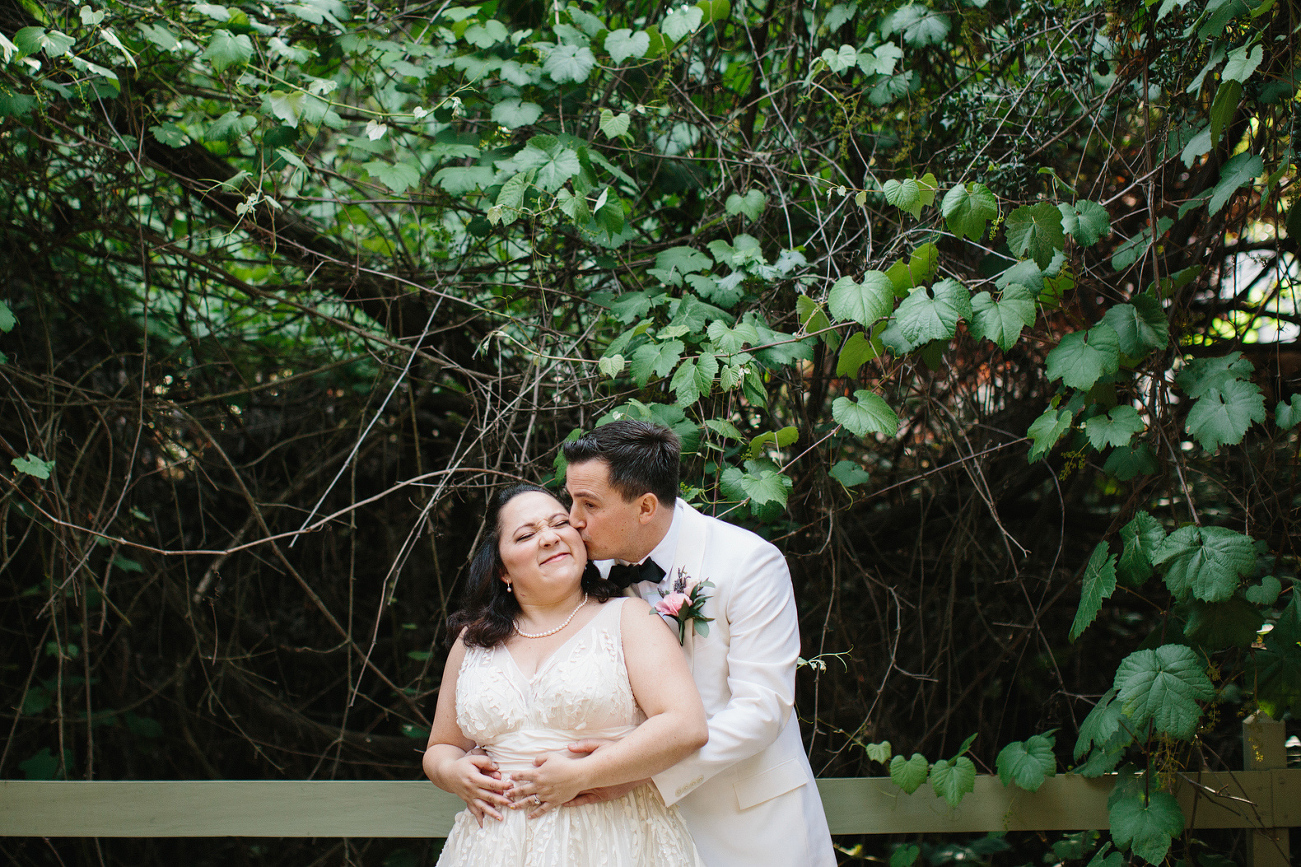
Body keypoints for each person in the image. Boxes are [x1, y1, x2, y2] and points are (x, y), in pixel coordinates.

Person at [513, 420, 837, 867]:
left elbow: (763, 710)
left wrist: (636, 770)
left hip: (753, 826)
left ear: (645, 507)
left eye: (588, 503)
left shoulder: (750, 564)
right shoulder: (589, 576)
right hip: (633, 833)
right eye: (571, 499)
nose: (573, 519)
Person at [422, 483, 709, 867]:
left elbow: (686, 725)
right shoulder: (472, 642)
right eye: (526, 534)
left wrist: (585, 773)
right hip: (495, 846)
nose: (549, 538)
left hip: (612, 838)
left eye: (560, 523)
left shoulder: (630, 619)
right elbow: (441, 746)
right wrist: (451, 772)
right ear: (503, 570)